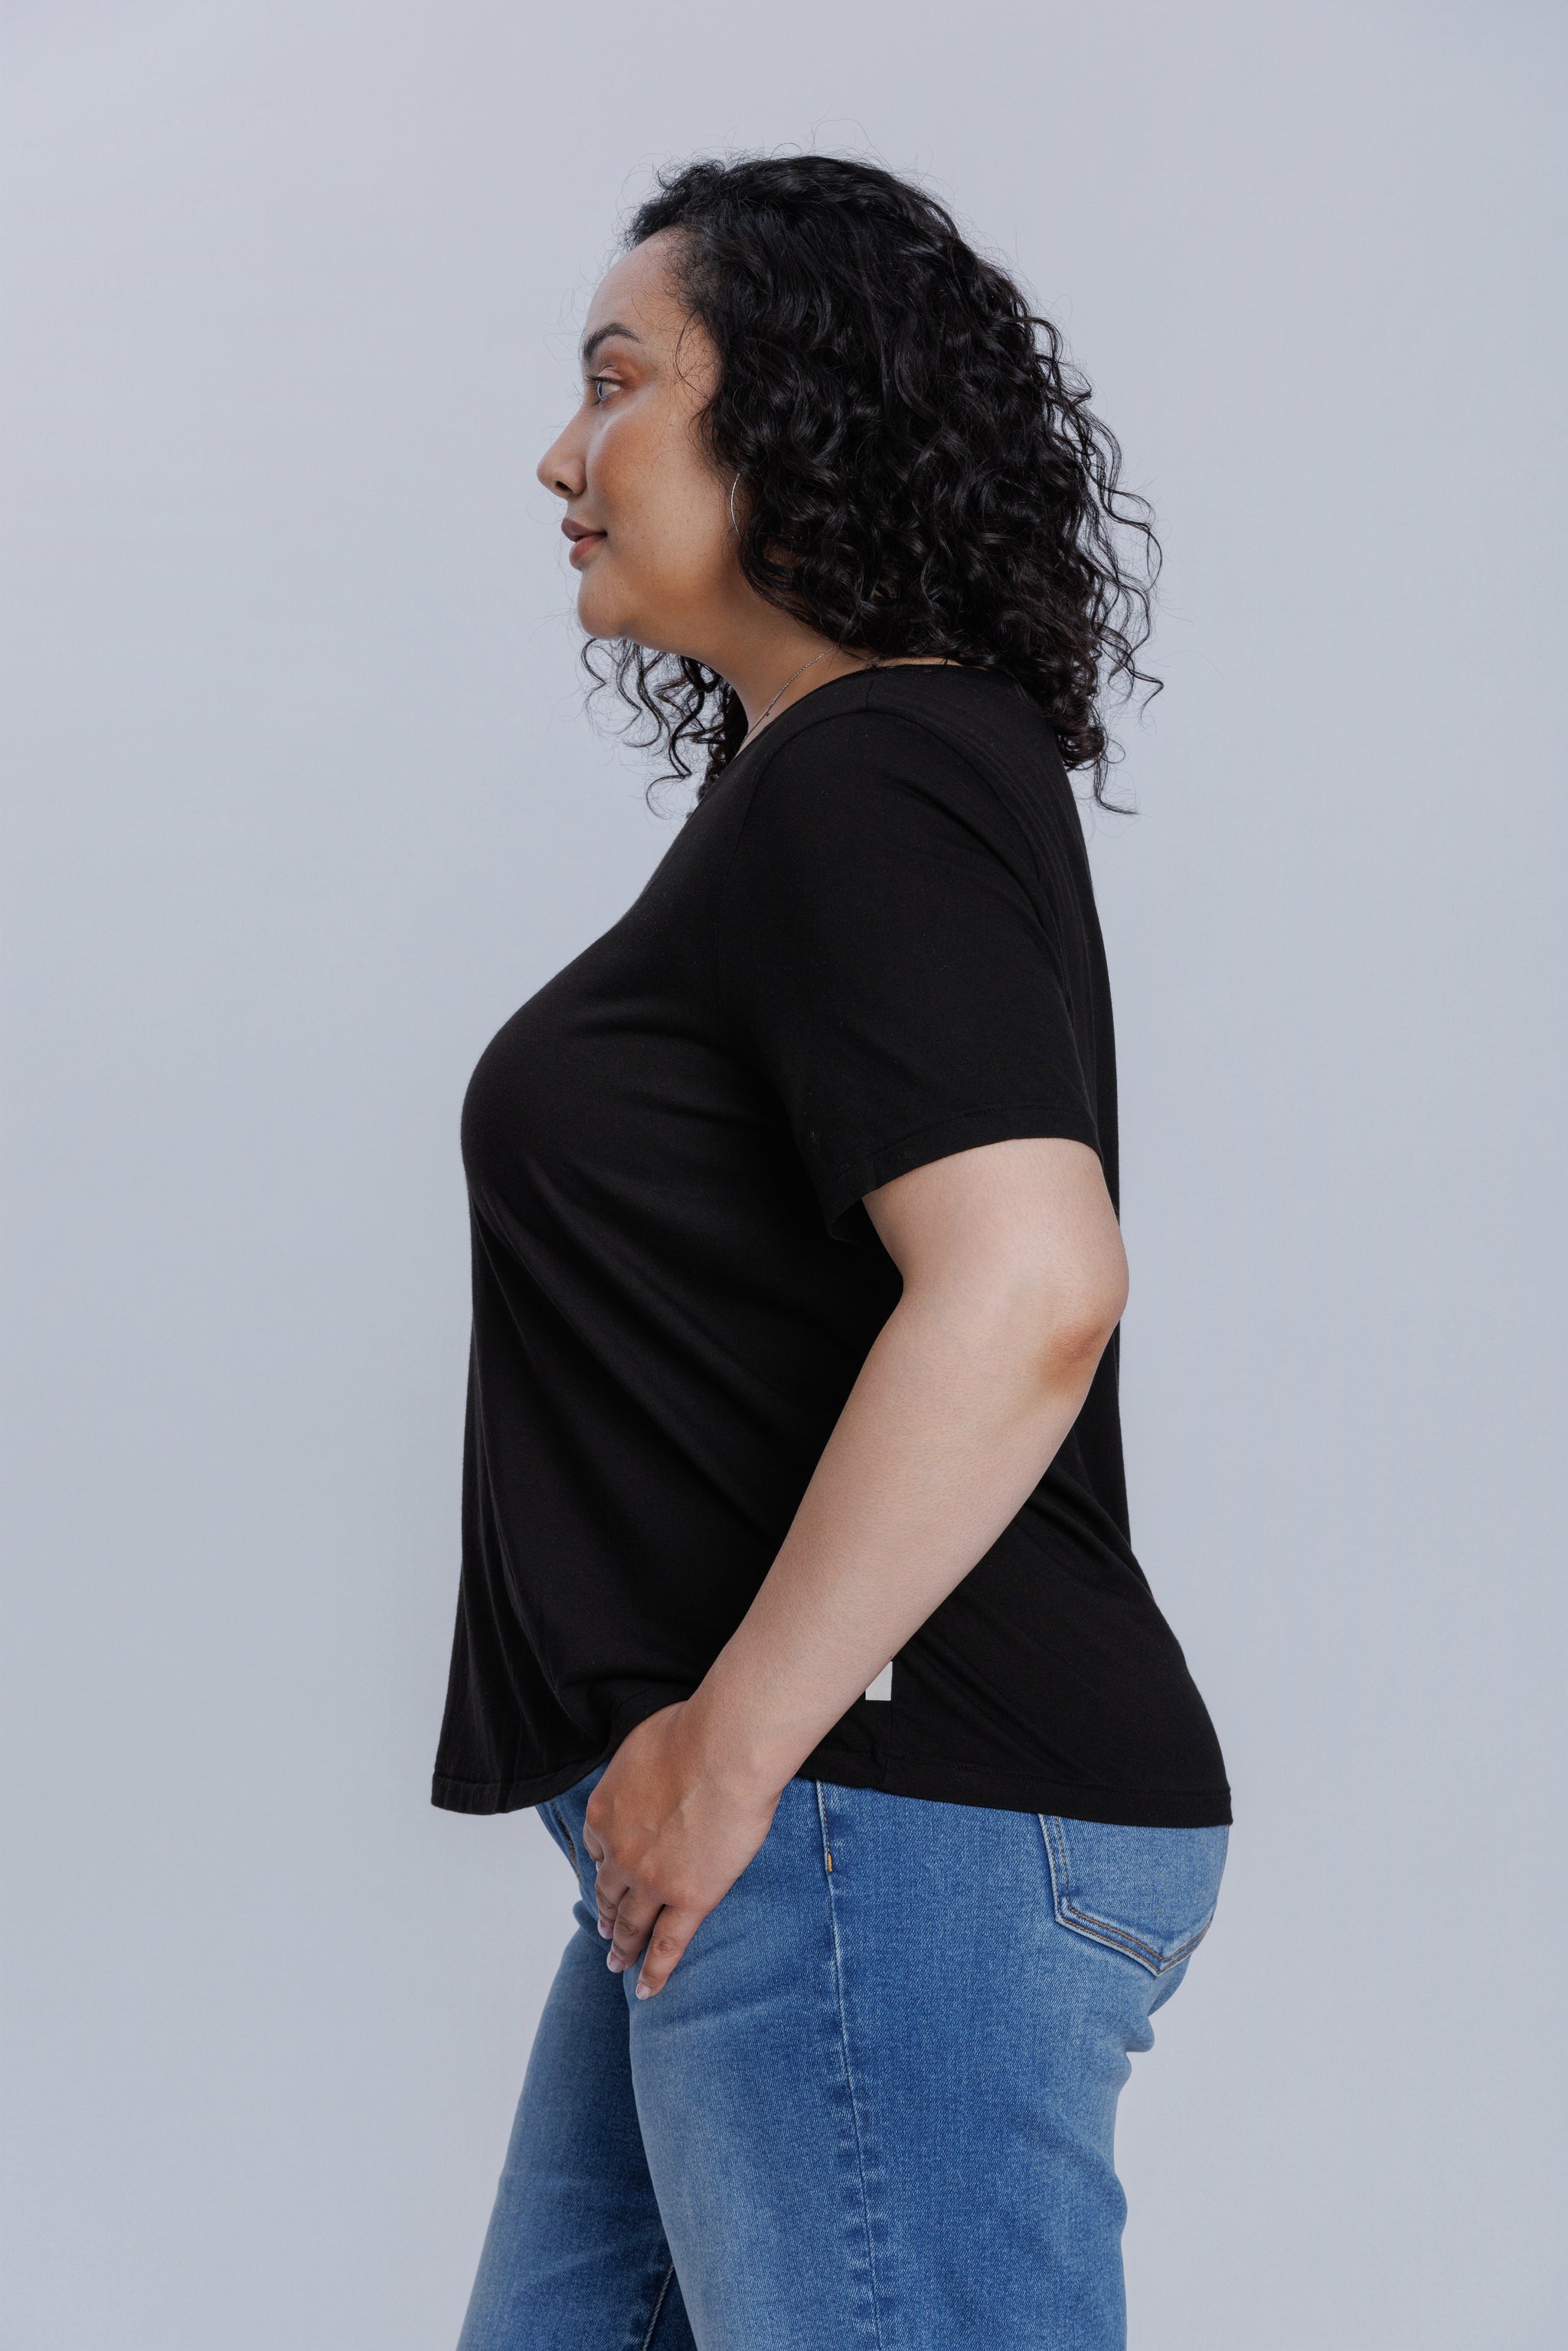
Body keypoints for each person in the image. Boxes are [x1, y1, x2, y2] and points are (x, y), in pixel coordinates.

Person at [434, 153, 1230, 2351]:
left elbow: (1031, 1277)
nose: (559, 454)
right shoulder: (831, 789)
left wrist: (735, 1743)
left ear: (784, 419)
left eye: (619, 384)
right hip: (814, 1821)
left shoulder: (878, 770)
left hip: (883, 1812)